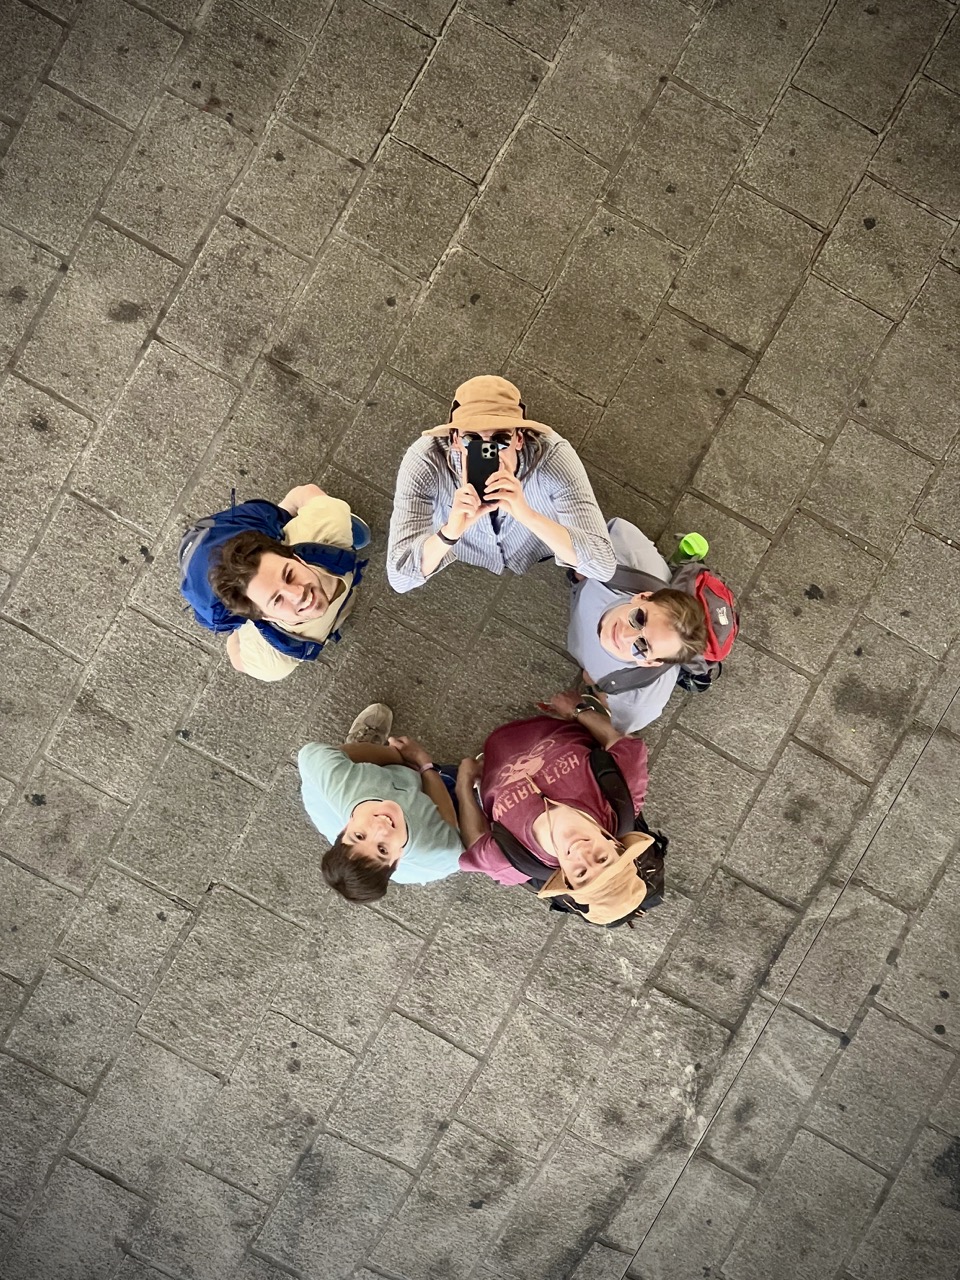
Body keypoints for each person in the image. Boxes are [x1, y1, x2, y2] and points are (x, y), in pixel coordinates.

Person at [387, 374, 615, 592]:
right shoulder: (426, 459)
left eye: (500, 439)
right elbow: (399, 578)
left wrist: (526, 514)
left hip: (534, 545)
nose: (489, 451)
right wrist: (450, 533)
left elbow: (604, 567)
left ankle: (572, 561)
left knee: (582, 558)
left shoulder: (552, 454)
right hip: (468, 548)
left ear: (519, 439)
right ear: (455, 440)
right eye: (471, 440)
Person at [454, 693, 664, 927]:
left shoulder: (515, 860)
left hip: (492, 761)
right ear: (617, 846)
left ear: (566, 879)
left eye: (581, 873)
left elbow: (475, 847)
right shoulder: (622, 797)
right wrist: (578, 711)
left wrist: (463, 783)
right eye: (603, 858)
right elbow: (626, 745)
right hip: (553, 726)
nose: (582, 854)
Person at [179, 484, 369, 683]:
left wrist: (311, 513)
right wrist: (235, 634)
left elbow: (306, 492)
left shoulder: (329, 523)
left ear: (298, 559)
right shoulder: (270, 662)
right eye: (277, 599)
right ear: (264, 617)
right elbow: (237, 659)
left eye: (288, 575)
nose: (298, 594)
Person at [299, 704, 463, 904]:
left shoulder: (333, 779)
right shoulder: (438, 852)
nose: (380, 827)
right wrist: (424, 764)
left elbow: (309, 755)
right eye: (382, 849)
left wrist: (398, 755)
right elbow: (449, 823)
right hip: (413, 795)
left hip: (356, 780)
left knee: (343, 758)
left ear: (344, 828)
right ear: (397, 860)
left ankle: (366, 749)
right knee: (454, 786)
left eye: (359, 836)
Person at [564, 518, 710, 733]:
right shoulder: (623, 554)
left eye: (641, 647)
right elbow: (602, 529)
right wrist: (582, 566)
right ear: (643, 596)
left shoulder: (638, 702)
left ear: (652, 663)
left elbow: (616, 731)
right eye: (639, 619)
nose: (624, 635)